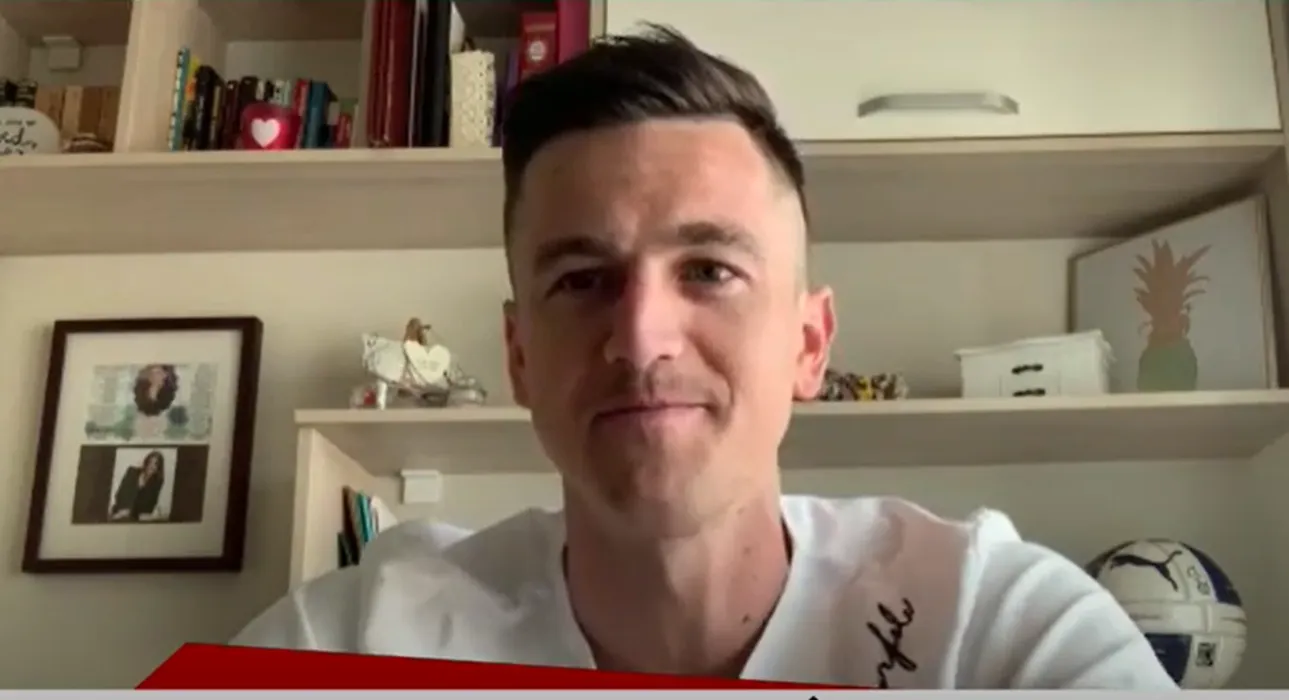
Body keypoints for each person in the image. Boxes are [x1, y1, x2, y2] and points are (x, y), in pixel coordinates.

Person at [231, 26, 1177, 689]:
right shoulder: (355, 643)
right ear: (518, 356)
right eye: (582, 279)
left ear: (809, 343)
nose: (642, 336)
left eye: (710, 271)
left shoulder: (993, 621)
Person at [110, 450, 166, 521]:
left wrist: (131, 512)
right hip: (120, 511)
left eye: (155, 464)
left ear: (158, 468)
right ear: (146, 462)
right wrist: (124, 510)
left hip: (137, 517)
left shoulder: (157, 483)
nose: (151, 466)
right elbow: (120, 494)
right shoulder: (132, 472)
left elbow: (150, 506)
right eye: (150, 462)